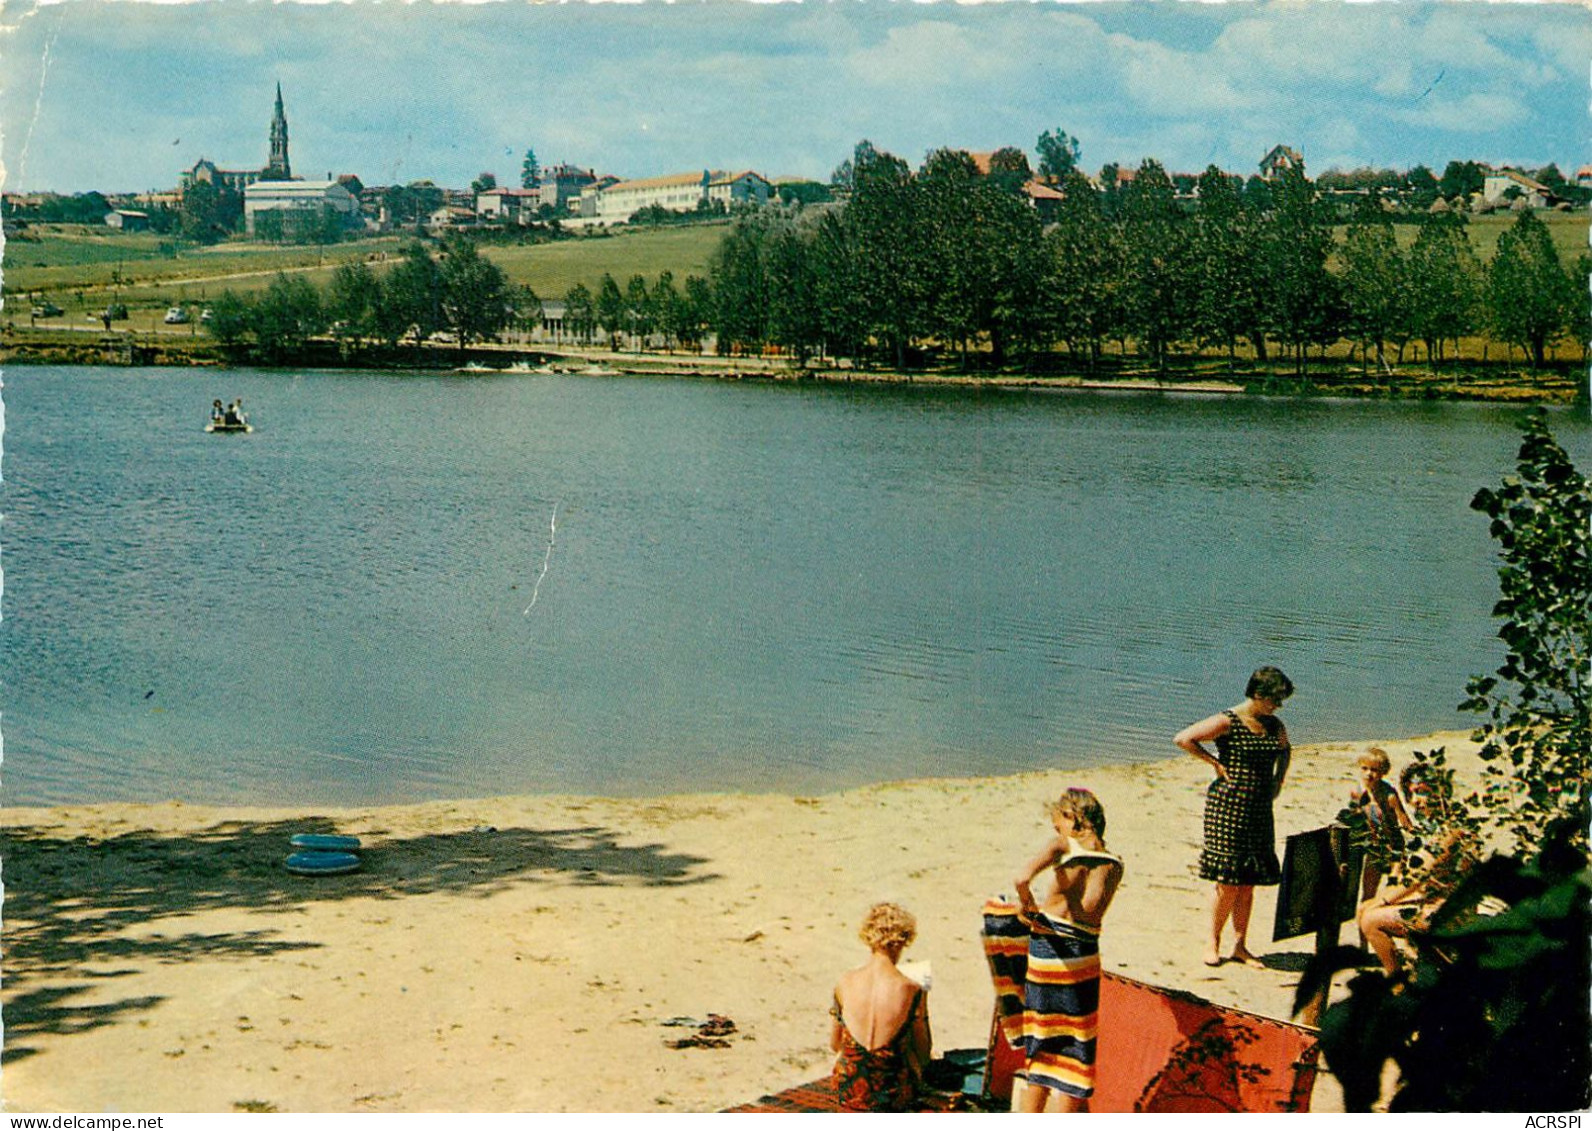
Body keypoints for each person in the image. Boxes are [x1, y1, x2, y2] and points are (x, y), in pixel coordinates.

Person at [1007, 788, 1125, 1112]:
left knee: (1042, 1047)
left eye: (1057, 822)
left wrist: (1028, 906)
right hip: (1085, 957)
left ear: (1073, 817)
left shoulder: (1064, 846)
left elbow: (1020, 877)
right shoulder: (1115, 864)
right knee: (1076, 1048)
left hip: (1050, 952)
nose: (1056, 830)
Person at [1175, 665, 1294, 968]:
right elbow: (1184, 738)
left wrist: (1278, 780)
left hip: (1259, 810)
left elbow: (1284, 750)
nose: (1277, 706)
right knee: (1228, 881)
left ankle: (1240, 945)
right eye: (1274, 700)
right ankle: (1212, 942)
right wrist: (1214, 763)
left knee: (1248, 882)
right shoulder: (1228, 720)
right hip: (1227, 806)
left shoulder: (1274, 725)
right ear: (1258, 694)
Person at [1356, 763, 1477, 976]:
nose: (1415, 802)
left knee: (1370, 919)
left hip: (1449, 909)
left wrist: (1382, 901)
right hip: (1433, 898)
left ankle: (1398, 983)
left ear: (1440, 792)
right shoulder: (1434, 826)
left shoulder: (1450, 831)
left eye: (1422, 792)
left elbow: (1418, 877)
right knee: (1364, 909)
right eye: (1411, 794)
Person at [829, 902, 932, 1111]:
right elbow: (923, 1052)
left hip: (848, 1089)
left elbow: (835, 1044)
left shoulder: (844, 982)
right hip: (892, 1094)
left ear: (868, 938)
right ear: (904, 941)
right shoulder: (912, 989)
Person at [1346, 747, 1414, 902]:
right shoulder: (1357, 793)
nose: (1369, 774)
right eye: (1365, 768)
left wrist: (1415, 840)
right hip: (1374, 848)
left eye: (1375, 770)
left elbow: (1403, 819)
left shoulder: (1389, 795)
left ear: (1383, 772)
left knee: (1393, 890)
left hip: (1394, 847)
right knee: (1368, 891)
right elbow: (1354, 819)